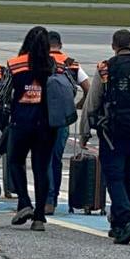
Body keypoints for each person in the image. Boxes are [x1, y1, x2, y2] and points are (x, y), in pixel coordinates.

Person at [79, 29, 130, 245]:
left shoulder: (105, 68)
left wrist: (84, 132)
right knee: (128, 178)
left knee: (114, 177)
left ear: (114, 46)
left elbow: (92, 102)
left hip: (114, 133)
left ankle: (127, 221)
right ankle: (118, 224)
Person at [4, 26, 62, 231]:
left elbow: (3, 93)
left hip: (22, 122)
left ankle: (25, 202)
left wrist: (1, 106)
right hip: (47, 124)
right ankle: (39, 216)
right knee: (41, 167)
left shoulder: (15, 64)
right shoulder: (54, 65)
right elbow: (69, 88)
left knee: (15, 161)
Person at [45, 31, 90, 214]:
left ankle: (46, 198)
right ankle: (53, 199)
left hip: (44, 115)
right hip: (63, 117)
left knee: (44, 157)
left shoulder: (41, 61)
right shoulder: (71, 63)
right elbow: (88, 87)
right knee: (56, 158)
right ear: (60, 45)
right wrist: (78, 104)